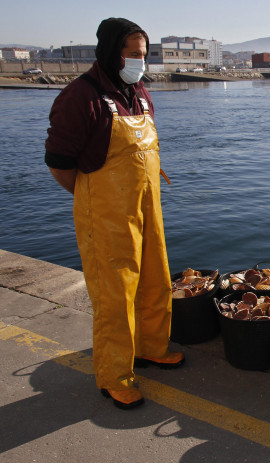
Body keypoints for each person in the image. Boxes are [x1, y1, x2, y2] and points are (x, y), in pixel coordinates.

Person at [45, 18, 183, 410]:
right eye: (133, 54)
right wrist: (90, 197)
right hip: (105, 214)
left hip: (146, 206)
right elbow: (59, 160)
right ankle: (114, 375)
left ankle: (151, 347)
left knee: (155, 277)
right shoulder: (81, 97)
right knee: (115, 294)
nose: (141, 61)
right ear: (111, 52)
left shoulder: (138, 92)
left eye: (144, 54)